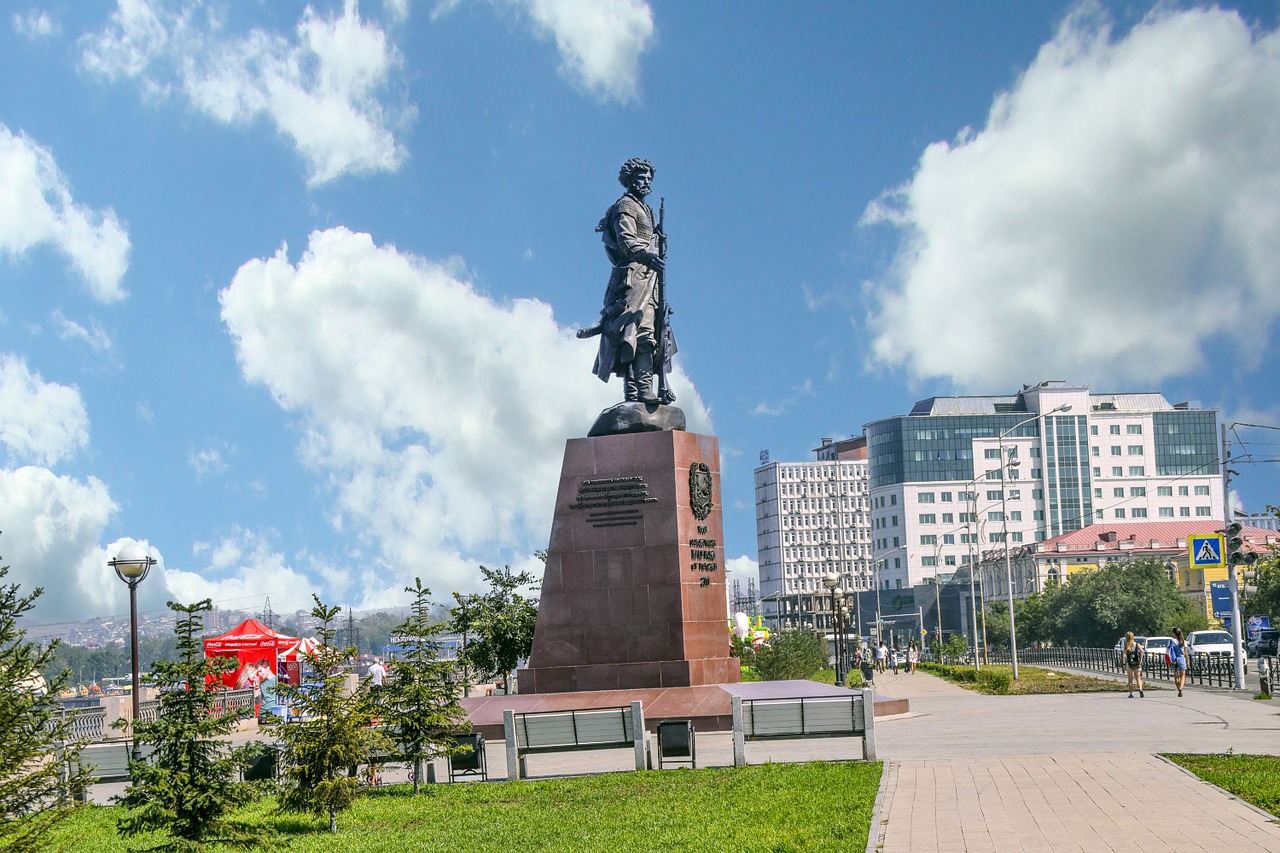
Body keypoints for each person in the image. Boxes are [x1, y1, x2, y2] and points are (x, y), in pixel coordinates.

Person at [578, 158, 676, 405]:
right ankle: (635, 394)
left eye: (649, 179)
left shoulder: (650, 211)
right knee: (631, 333)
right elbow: (625, 240)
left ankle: (644, 390)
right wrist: (647, 255)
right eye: (641, 178)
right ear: (630, 179)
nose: (646, 183)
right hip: (631, 279)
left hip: (650, 279)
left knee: (649, 335)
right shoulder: (625, 206)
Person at [1123, 631, 1145, 698]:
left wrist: (1124, 663)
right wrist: (1141, 660)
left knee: (1130, 680)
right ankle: (1140, 689)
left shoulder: (1126, 645)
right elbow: (1142, 651)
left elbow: (1124, 655)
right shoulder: (1136, 644)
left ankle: (1131, 693)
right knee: (1138, 678)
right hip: (1136, 663)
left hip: (1129, 664)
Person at [1170, 627, 1188, 697]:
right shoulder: (1183, 641)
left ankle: (1178, 689)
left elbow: (1169, 651)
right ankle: (1181, 688)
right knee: (1183, 675)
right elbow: (1186, 652)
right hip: (1181, 659)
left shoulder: (1171, 641)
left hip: (1173, 659)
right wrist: (1187, 661)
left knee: (1176, 676)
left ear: (1174, 633)